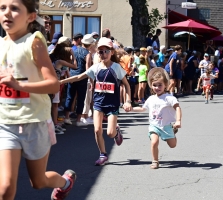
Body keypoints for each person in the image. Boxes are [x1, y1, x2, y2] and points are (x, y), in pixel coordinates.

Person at [0, 0, 77, 199]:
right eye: (2, 8)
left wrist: (19, 86)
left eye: (15, 8)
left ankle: (65, 182)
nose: (7, 13)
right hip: (6, 123)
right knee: (5, 187)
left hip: (35, 122)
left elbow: (53, 84)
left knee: (38, 182)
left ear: (30, 17)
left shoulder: (33, 40)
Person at [60, 37, 132, 165]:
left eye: (106, 51)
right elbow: (79, 76)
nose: (103, 54)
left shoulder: (116, 68)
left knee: (110, 133)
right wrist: (61, 81)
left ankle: (116, 131)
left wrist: (128, 101)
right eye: (100, 51)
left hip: (112, 104)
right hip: (98, 103)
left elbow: (126, 85)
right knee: (97, 130)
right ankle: (103, 154)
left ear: (112, 52)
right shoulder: (96, 67)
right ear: (97, 53)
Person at [130, 68, 182, 169]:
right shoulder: (151, 98)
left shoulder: (169, 98)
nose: (157, 87)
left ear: (165, 85)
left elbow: (178, 108)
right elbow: (142, 109)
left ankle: (173, 131)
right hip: (154, 126)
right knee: (154, 142)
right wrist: (131, 109)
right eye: (154, 85)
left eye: (160, 85)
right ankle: (155, 161)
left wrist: (178, 120)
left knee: (172, 145)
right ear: (151, 85)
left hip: (166, 126)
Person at [64, 34, 93, 126]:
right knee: (81, 98)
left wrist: (68, 74)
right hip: (82, 78)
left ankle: (67, 117)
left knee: (69, 97)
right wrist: (91, 81)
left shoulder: (75, 50)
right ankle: (78, 120)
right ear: (90, 44)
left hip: (72, 76)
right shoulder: (88, 54)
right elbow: (88, 69)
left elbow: (70, 62)